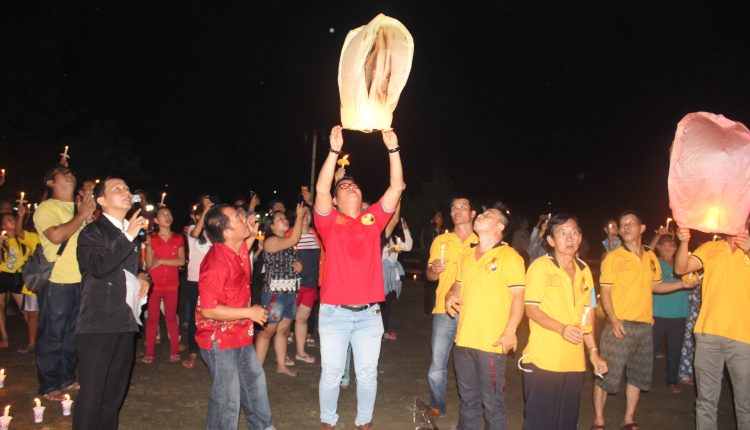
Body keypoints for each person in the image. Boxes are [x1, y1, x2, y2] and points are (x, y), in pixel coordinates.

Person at [314, 125, 403, 429]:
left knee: (367, 372)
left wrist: (393, 149)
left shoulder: (372, 220)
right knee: (331, 372)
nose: (350, 188)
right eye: (344, 188)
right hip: (334, 314)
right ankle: (328, 420)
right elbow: (322, 189)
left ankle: (364, 421)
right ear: (336, 201)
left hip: (369, 314)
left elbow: (395, 188)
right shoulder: (329, 222)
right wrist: (333, 151)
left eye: (354, 186)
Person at [592, 211, 697, 430]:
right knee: (605, 375)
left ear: (642, 228)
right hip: (619, 325)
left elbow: (656, 286)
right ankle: (599, 420)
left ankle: (629, 419)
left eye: (631, 223)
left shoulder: (651, 258)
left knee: (638, 375)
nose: (626, 227)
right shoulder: (613, 257)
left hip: (644, 326)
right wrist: (613, 319)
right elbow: (606, 291)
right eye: (623, 225)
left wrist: (681, 284)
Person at [74, 177, 151, 429]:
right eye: (116, 189)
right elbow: (98, 267)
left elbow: (133, 268)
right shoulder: (92, 232)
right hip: (98, 322)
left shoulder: (128, 232)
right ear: (101, 200)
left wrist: (143, 276)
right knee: (93, 393)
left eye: (127, 189)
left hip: (125, 320)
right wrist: (128, 236)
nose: (126, 192)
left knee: (114, 394)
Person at [521, 213, 608, 430]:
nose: (569, 238)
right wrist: (561, 329)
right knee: (539, 423)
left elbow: (588, 312)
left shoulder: (584, 270)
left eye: (574, 232)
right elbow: (531, 309)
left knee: (566, 423)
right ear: (551, 240)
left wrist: (593, 351)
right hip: (543, 360)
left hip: (574, 363)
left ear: (580, 238)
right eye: (562, 233)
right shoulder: (540, 267)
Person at [444, 207, 525, 430]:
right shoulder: (466, 255)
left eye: (488, 214)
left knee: (492, 403)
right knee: (468, 400)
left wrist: (510, 330)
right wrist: (450, 295)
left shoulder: (510, 257)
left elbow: (519, 297)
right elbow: (458, 286)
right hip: (463, 340)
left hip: (491, 342)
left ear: (500, 227)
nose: (480, 215)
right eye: (480, 213)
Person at [196, 204, 275, 430]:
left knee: (254, 386)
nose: (245, 218)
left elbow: (242, 249)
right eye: (238, 218)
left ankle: (263, 426)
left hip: (239, 334)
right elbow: (209, 310)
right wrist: (249, 312)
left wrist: (248, 232)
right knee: (227, 400)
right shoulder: (215, 263)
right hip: (218, 339)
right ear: (227, 232)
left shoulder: (233, 248)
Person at [675, 224, 750, 430]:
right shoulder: (710, 247)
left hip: (744, 338)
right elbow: (681, 268)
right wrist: (683, 242)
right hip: (708, 334)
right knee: (706, 401)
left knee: (746, 403)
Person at [34, 163, 96, 401]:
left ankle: (67, 378)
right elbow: (57, 235)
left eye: (71, 173)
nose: (70, 175)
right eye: (63, 174)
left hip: (81, 281)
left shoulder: (78, 207)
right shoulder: (47, 208)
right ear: (50, 182)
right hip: (57, 282)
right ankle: (49, 385)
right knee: (53, 335)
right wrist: (81, 215)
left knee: (73, 334)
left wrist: (86, 216)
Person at [425, 197, 477, 418]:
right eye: (454, 207)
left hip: (474, 311)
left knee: (473, 365)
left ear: (473, 213)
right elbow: (429, 275)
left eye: (463, 207)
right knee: (437, 363)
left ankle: (473, 409)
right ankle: (437, 404)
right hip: (444, 311)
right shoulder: (441, 241)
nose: (457, 210)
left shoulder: (482, 240)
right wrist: (434, 271)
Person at [255, 203, 305, 377]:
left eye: (284, 218)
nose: (284, 220)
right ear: (272, 226)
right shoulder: (271, 241)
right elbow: (293, 239)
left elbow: (293, 260)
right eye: (280, 219)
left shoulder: (286, 243)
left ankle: (281, 365)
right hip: (274, 294)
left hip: (290, 292)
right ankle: (256, 370)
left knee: (283, 331)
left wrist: (299, 265)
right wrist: (299, 216)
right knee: (267, 331)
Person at [143, 206, 185, 364]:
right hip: (155, 285)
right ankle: (149, 351)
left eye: (169, 214)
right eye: (163, 215)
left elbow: (181, 261)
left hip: (172, 285)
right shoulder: (152, 239)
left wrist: (161, 261)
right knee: (153, 318)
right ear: (156, 220)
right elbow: (149, 266)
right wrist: (147, 246)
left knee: (171, 318)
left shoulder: (178, 238)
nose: (167, 217)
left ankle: (174, 350)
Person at [651, 233, 689, 394]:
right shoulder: (655, 263)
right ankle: (642, 378)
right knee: (649, 349)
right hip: (658, 313)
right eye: (666, 243)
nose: (671, 245)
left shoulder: (682, 264)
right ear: (659, 247)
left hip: (679, 313)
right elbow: (646, 253)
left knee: (675, 350)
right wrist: (658, 236)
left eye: (673, 243)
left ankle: (672, 381)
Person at [0, 205, 38, 352]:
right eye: (9, 220)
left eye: (13, 218)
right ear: (3, 225)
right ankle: (4, 336)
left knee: (26, 309)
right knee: (1, 306)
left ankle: (33, 337)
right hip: (2, 275)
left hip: (18, 276)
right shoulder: (2, 240)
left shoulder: (22, 238)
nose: (13, 221)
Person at [184, 197, 213, 369]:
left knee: (210, 316)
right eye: (202, 214)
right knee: (195, 318)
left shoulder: (214, 233)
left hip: (212, 281)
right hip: (195, 280)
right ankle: (193, 351)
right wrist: (204, 213)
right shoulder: (193, 229)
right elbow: (195, 234)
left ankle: (209, 348)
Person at [292, 204, 323, 363]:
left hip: (310, 285)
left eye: (308, 213)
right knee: (285, 322)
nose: (306, 216)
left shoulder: (314, 234)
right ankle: (281, 354)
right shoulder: (291, 234)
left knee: (302, 319)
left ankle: (300, 351)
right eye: (303, 213)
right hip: (293, 286)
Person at [381, 207, 412, 341]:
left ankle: (384, 330)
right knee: (379, 306)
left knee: (387, 306)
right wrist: (394, 249)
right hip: (381, 275)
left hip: (392, 276)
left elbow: (408, 246)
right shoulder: (379, 237)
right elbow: (385, 253)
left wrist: (406, 229)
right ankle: (379, 332)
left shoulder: (394, 238)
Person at [420, 209, 444, 315]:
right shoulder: (429, 230)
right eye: (438, 216)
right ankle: (427, 309)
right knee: (429, 285)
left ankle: (438, 305)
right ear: (433, 218)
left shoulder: (443, 232)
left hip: (442, 261)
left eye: (441, 216)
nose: (440, 218)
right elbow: (426, 245)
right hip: (429, 260)